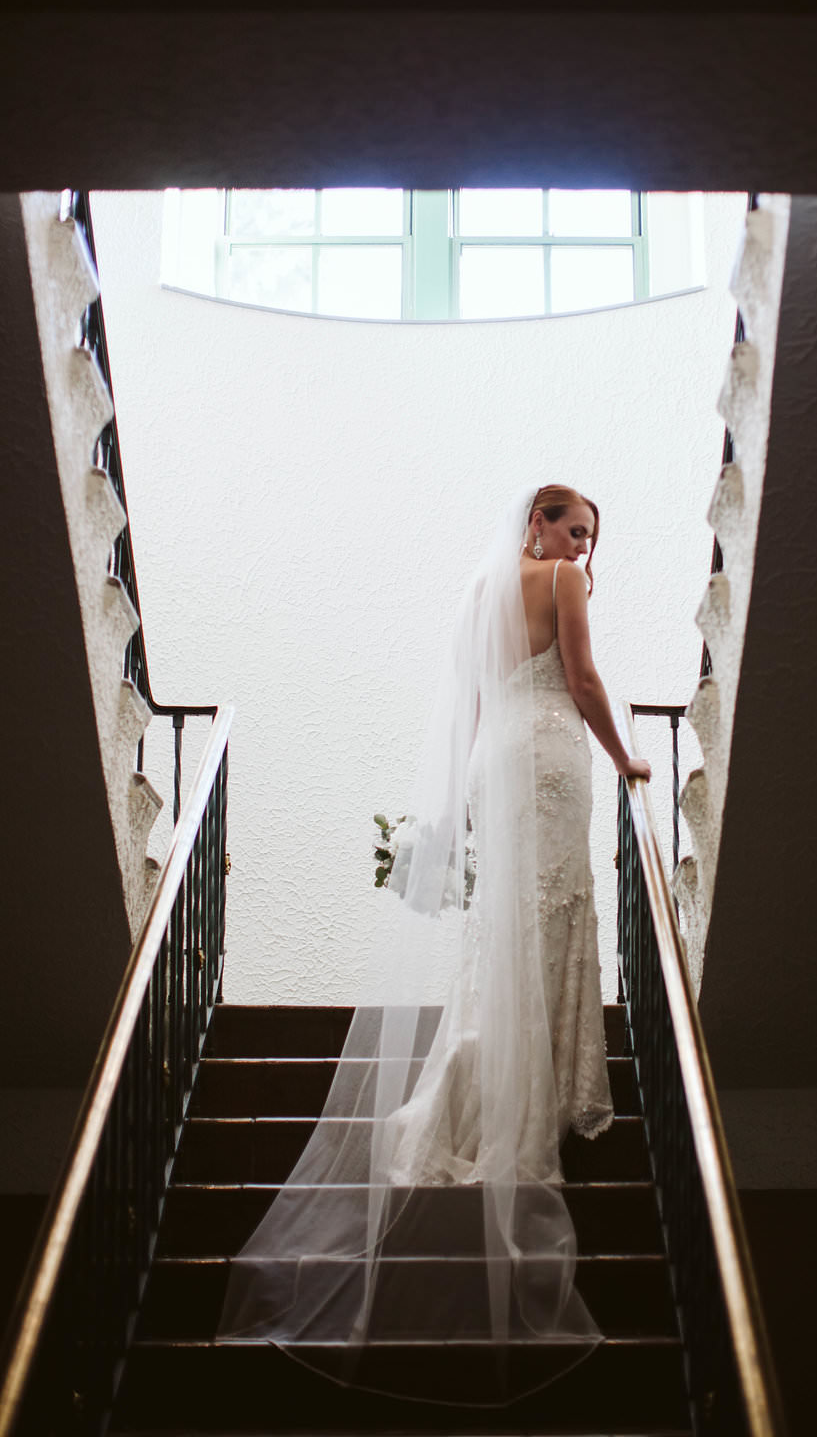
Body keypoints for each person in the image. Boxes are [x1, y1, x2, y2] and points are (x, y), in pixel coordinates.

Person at [217, 484, 651, 1406]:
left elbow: (476, 714)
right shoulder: (562, 581)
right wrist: (626, 759)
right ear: (538, 521)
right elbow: (579, 681)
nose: (584, 547)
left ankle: (468, 1082)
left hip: (500, 765)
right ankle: (514, 1090)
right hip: (549, 757)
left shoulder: (478, 597)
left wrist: (451, 810)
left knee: (510, 927)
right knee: (553, 911)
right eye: (575, 528)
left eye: (591, 538)